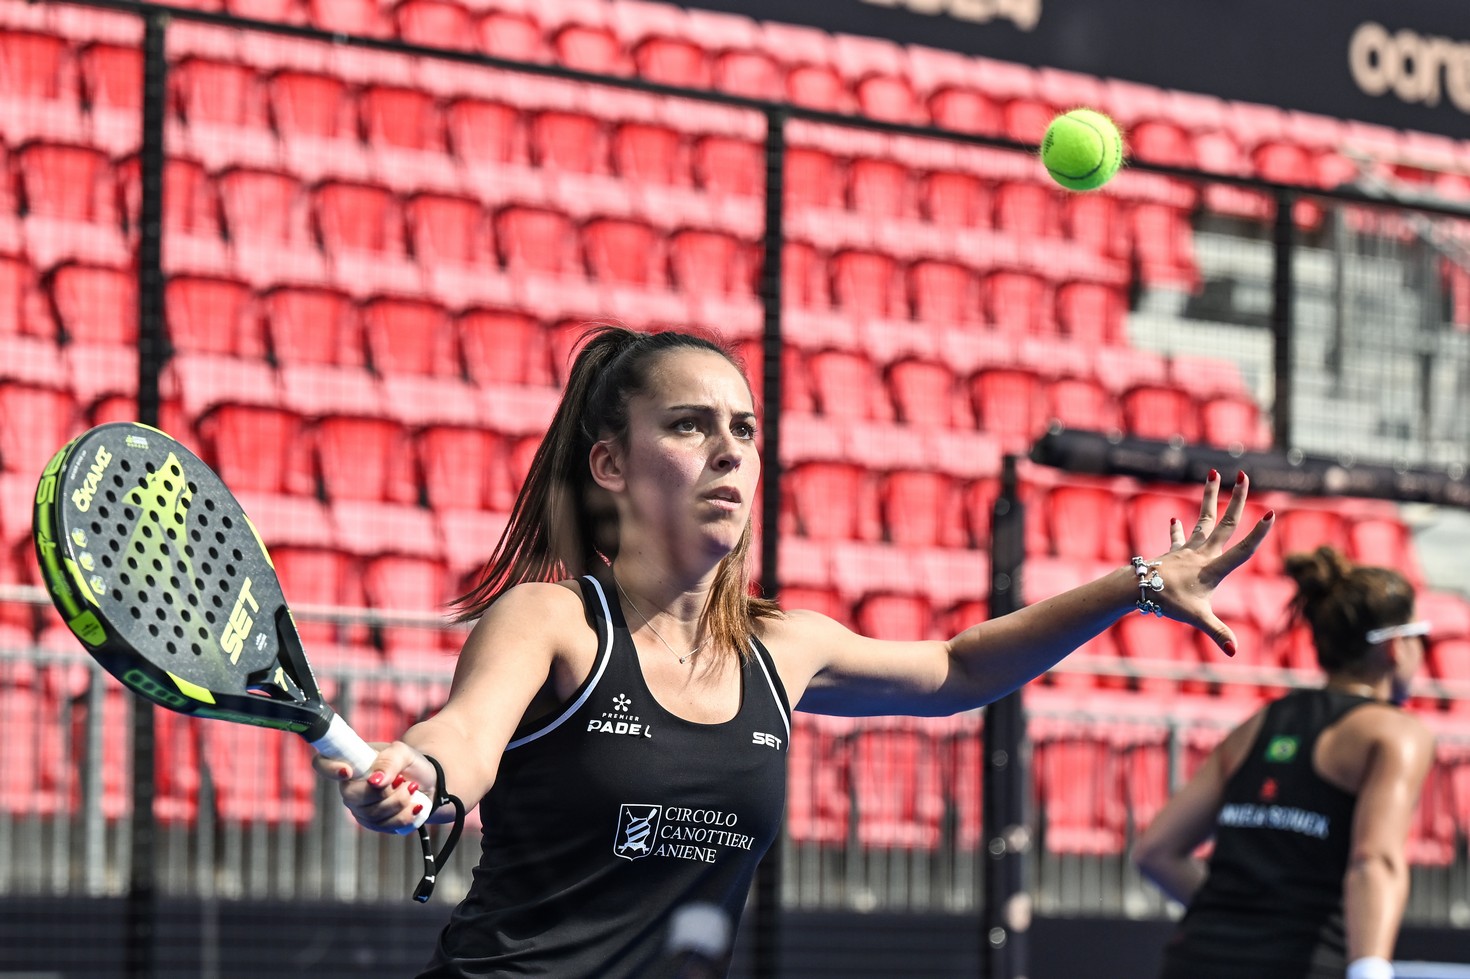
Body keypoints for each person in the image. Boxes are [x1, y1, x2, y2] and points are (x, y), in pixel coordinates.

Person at [317, 323, 1273, 978]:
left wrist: (1137, 584)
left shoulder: (784, 645)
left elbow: (959, 668)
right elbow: (464, 738)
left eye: (743, 428)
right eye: (689, 425)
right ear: (610, 463)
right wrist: (419, 772)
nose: (729, 450)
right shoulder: (554, 620)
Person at [1133, 545, 1436, 979]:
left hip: (1196, 960)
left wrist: (1240, 920)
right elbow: (1375, 862)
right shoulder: (1396, 733)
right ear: (1395, 647)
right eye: (1421, 637)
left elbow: (1155, 852)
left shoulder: (1256, 725)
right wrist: (1370, 969)